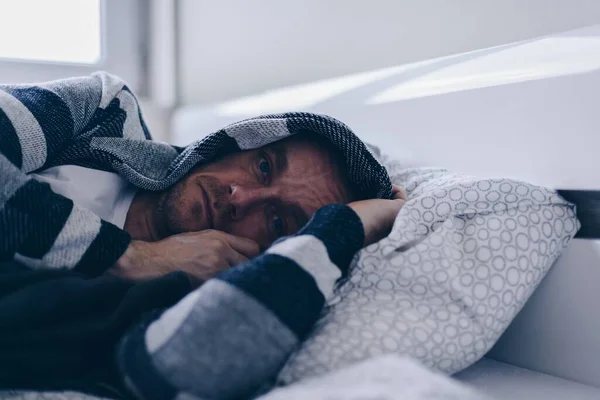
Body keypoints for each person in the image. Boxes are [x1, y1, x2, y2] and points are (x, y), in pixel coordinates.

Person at [0, 73, 406, 399]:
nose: (242, 197)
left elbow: (186, 371)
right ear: (239, 142)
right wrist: (127, 256)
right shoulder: (108, 111)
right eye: (263, 166)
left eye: (279, 222)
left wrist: (346, 227)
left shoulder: (188, 300)